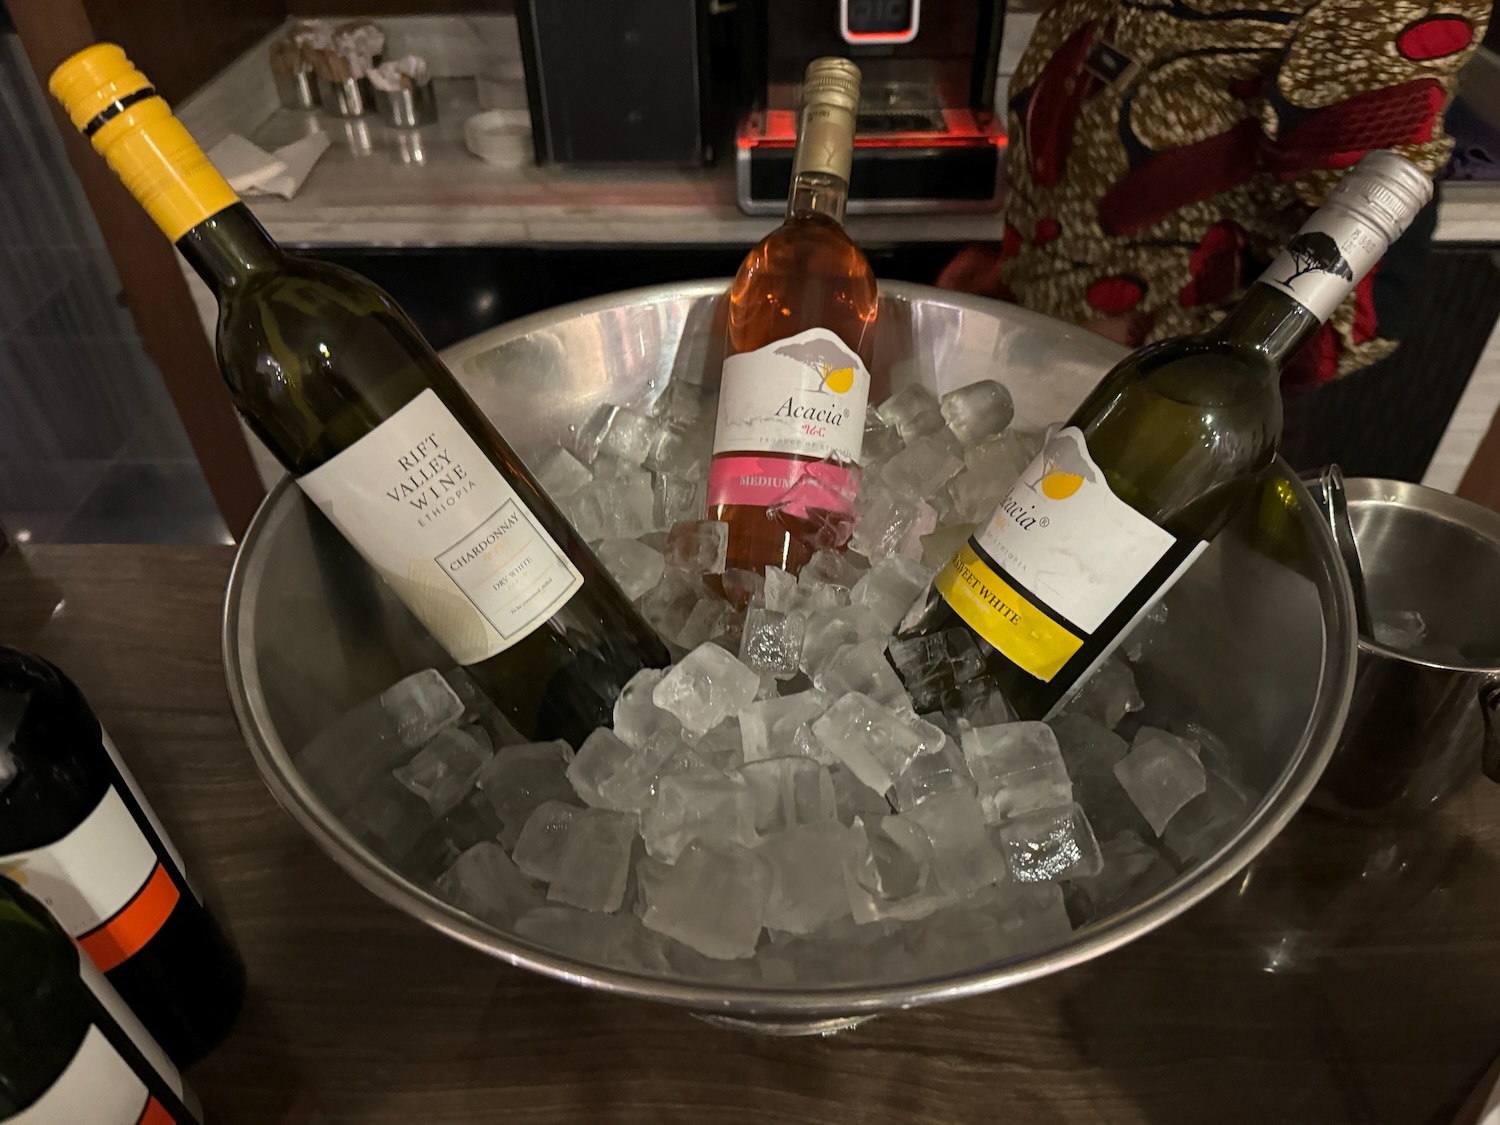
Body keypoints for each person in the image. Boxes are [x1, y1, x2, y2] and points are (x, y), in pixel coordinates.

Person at [938, 0, 1491, 390]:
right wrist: (1021, 279)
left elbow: (1357, 306)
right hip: (1042, 314)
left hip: (1135, 382)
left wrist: (1133, 345)